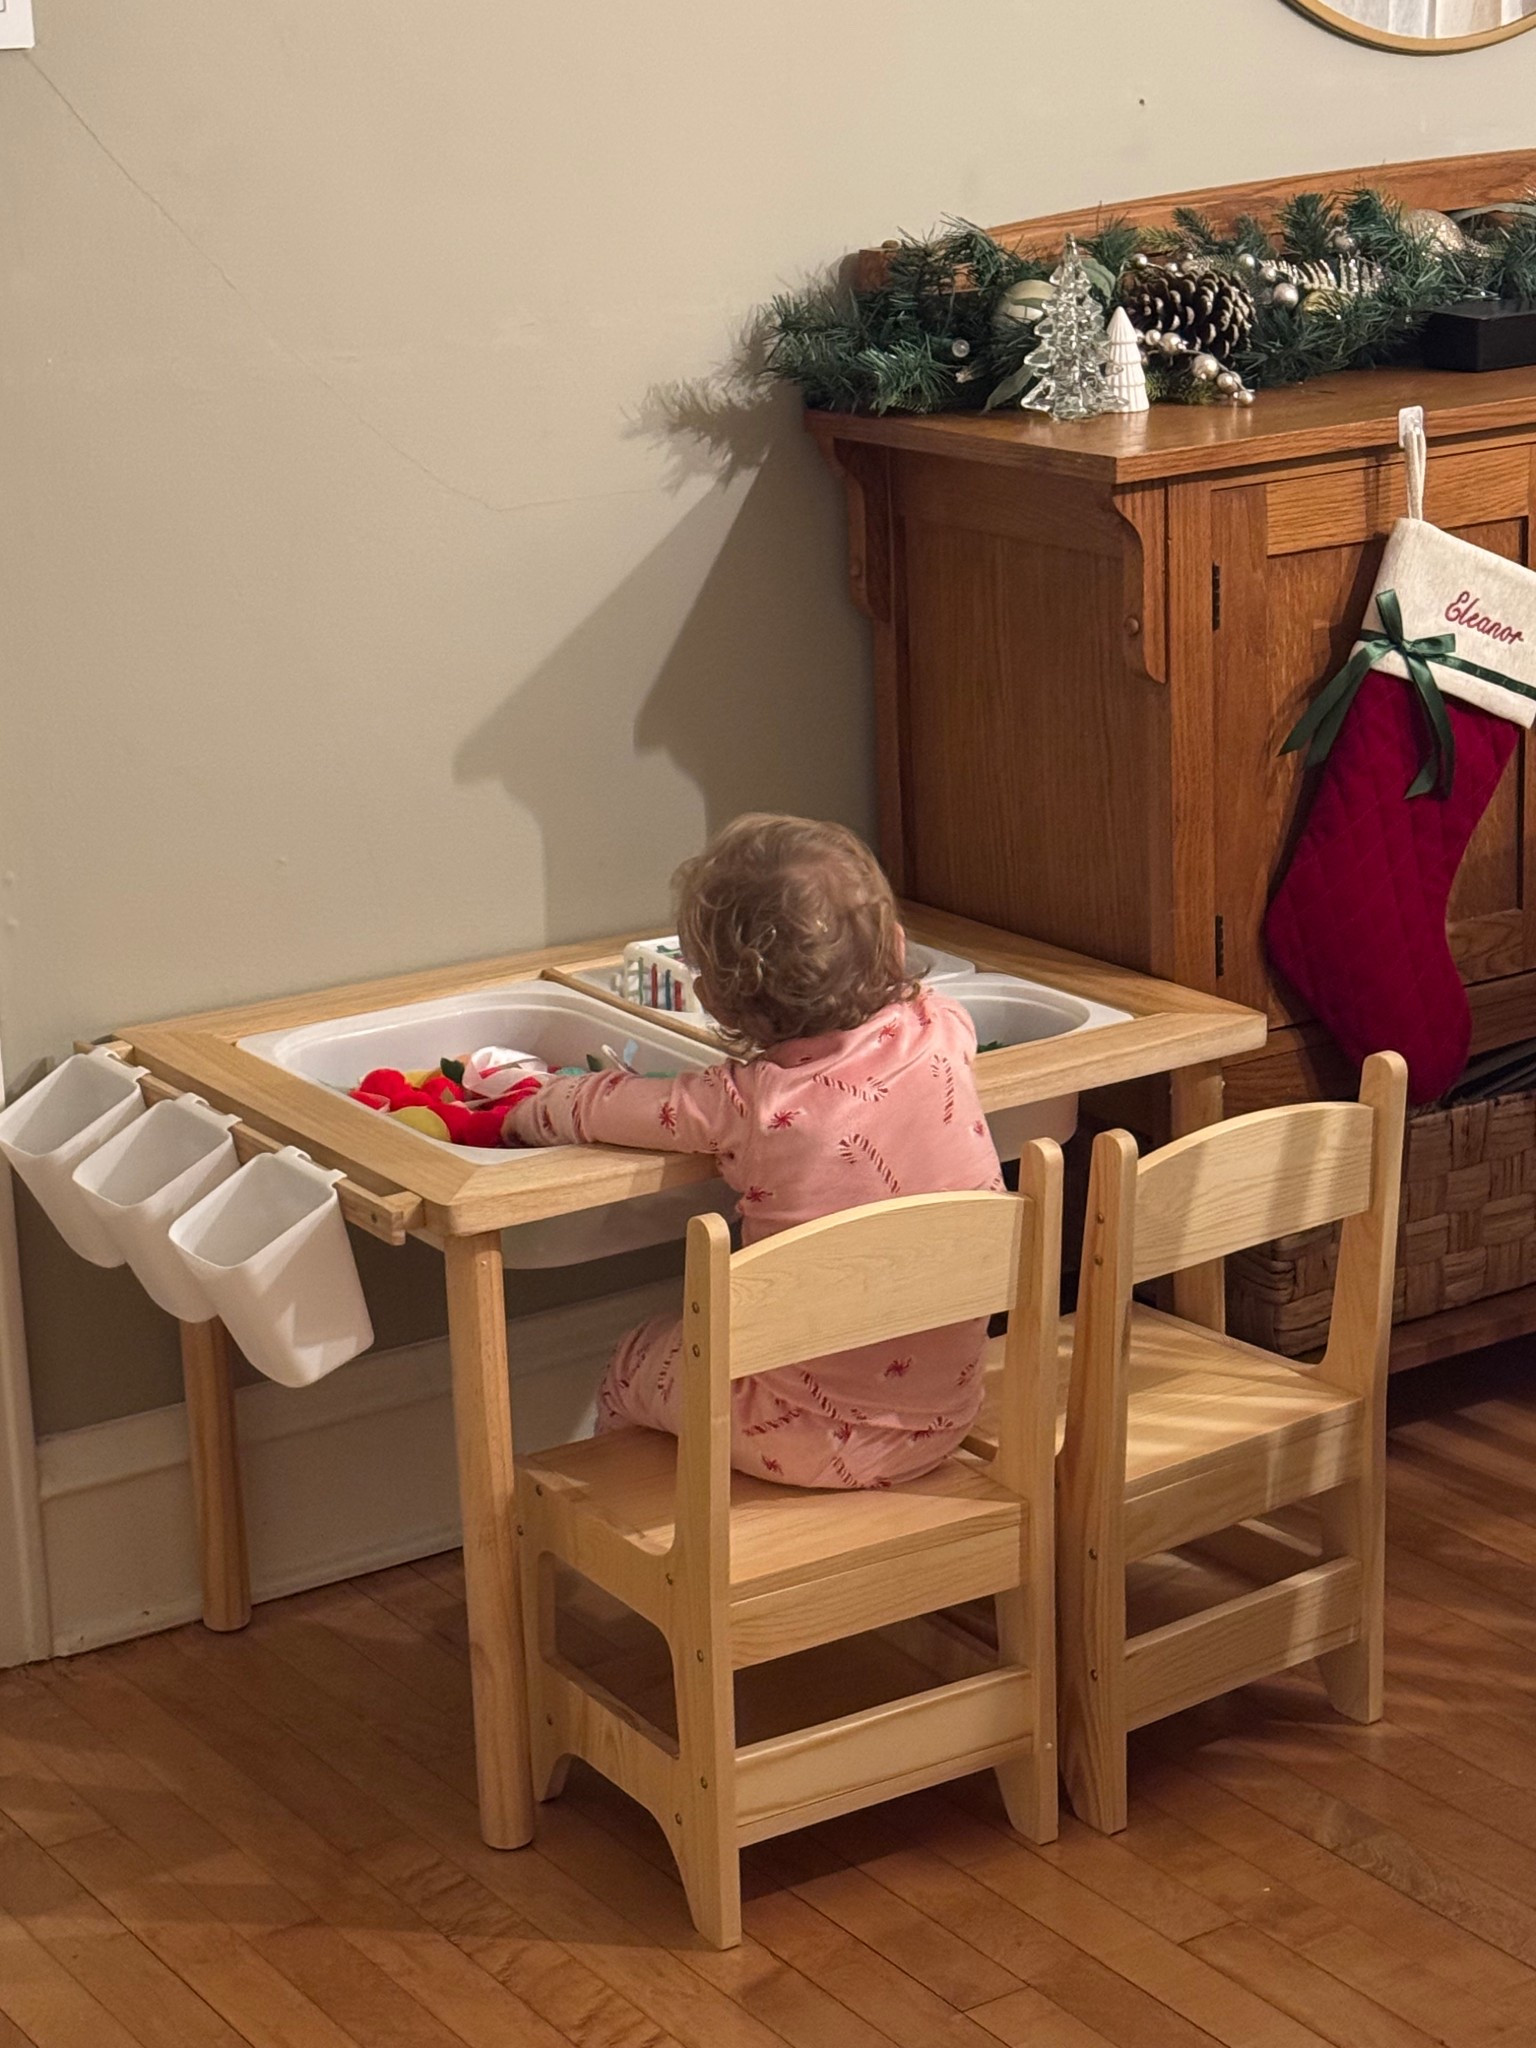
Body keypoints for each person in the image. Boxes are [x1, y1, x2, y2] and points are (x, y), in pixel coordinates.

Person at [505, 813, 1003, 1488]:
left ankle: (655, 1520)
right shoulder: (941, 1029)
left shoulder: (748, 1105)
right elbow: (926, 1014)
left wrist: (529, 1105)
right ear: (896, 945)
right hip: (945, 1417)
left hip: (796, 1436)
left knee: (638, 1356)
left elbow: (600, 1106)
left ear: (710, 997)